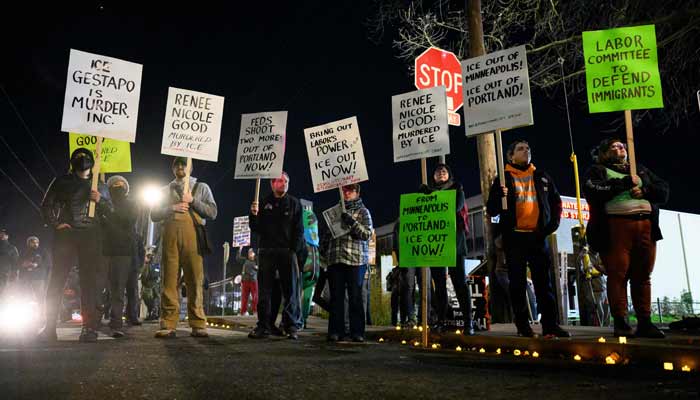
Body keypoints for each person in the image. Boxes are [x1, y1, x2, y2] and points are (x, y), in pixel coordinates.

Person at [583, 138, 669, 338]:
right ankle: (621, 321)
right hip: (616, 227)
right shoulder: (596, 171)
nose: (619, 148)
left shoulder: (639, 170)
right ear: (603, 153)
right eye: (613, 147)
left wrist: (646, 190)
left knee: (643, 275)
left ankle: (645, 322)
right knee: (618, 275)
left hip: (646, 228)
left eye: (621, 145)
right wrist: (622, 184)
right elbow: (593, 191)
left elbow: (663, 190)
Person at [487, 140, 570, 338]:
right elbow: (492, 211)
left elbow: (555, 201)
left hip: (537, 237)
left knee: (544, 283)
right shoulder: (503, 179)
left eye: (528, 148)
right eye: (521, 149)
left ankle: (550, 325)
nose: (526, 151)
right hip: (514, 238)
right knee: (517, 284)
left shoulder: (541, 176)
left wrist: (553, 225)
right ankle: (523, 325)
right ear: (511, 156)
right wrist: (498, 196)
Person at [39, 148, 112, 342]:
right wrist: (56, 224)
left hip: (91, 236)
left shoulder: (101, 186)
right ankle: (49, 327)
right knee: (57, 280)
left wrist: (101, 201)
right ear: (72, 161)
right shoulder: (62, 181)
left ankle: (89, 328)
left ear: (92, 161)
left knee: (89, 283)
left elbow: (111, 213)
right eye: (78, 157)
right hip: (66, 236)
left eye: (86, 157)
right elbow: (46, 205)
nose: (82, 160)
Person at [151, 157, 217, 338]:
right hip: (170, 239)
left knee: (195, 280)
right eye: (177, 164)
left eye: (183, 163)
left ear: (190, 166)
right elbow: (154, 214)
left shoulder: (202, 187)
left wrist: (193, 200)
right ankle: (168, 323)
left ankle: (198, 323)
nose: (180, 167)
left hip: (193, 238)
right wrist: (172, 207)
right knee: (169, 281)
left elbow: (212, 212)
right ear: (173, 168)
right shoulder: (165, 190)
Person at [419, 163, 474, 335]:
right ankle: (440, 321)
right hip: (436, 242)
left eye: (444, 171)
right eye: (437, 171)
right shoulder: (427, 192)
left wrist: (433, 196)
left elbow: (455, 207)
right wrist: (423, 195)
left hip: (454, 241)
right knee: (439, 285)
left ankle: (468, 323)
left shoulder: (457, 188)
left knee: (459, 283)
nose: (441, 172)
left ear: (449, 175)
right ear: (433, 177)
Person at [247, 172, 303, 340]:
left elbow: (299, 230)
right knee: (265, 291)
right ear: (272, 183)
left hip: (287, 252)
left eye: (286, 181)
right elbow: (256, 228)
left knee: (290, 291)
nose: (283, 183)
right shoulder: (263, 203)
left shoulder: (294, 203)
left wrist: (294, 251)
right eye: (280, 180)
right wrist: (253, 214)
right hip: (267, 252)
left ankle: (290, 326)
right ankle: (264, 325)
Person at [321, 183, 373, 342]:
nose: (346, 192)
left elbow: (367, 234)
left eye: (350, 190)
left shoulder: (363, 211)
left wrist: (352, 222)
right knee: (336, 298)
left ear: (357, 192)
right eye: (344, 189)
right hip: (335, 259)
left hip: (356, 261)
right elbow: (326, 236)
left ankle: (357, 332)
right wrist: (323, 252)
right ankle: (336, 331)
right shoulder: (334, 212)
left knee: (355, 296)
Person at [100, 175, 139, 338]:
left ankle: (116, 324)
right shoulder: (102, 202)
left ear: (126, 188)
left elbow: (128, 220)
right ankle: (93, 321)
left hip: (123, 252)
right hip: (103, 249)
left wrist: (108, 212)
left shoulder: (131, 204)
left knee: (117, 289)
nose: (118, 186)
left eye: (121, 184)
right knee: (99, 288)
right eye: (114, 184)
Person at [19, 236, 50, 305]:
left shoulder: (43, 251)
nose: (35, 244)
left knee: (40, 297)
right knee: (24, 296)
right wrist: (23, 264)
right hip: (26, 278)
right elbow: (18, 262)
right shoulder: (24, 252)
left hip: (38, 278)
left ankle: (41, 313)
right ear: (28, 243)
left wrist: (37, 264)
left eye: (37, 242)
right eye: (32, 242)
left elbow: (48, 263)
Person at [140, 249, 160, 321]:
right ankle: (153, 314)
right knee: (153, 300)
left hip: (149, 287)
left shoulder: (147, 266)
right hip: (154, 286)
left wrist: (144, 283)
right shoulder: (157, 266)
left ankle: (152, 314)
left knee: (149, 300)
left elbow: (144, 277)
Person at [238, 248, 258, 316]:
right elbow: (238, 258)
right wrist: (240, 249)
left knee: (255, 297)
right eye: (249, 252)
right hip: (245, 281)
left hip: (253, 281)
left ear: (254, 253)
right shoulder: (245, 260)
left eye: (251, 252)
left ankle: (255, 311)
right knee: (244, 297)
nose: (250, 253)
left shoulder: (257, 260)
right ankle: (243, 311)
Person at [0, 228, 19, 294]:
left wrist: (15, 274)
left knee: (4, 294)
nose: (2, 235)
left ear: (7, 236)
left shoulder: (12, 248)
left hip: (5, 275)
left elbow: (16, 262)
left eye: (4, 234)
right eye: (0, 234)